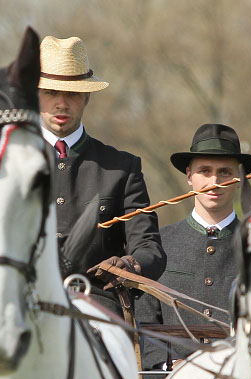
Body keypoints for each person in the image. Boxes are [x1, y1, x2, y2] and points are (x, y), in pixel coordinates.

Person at [37, 35, 165, 315]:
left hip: (97, 308)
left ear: (87, 96)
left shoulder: (122, 167)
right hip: (21, 304)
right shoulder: (7, 163)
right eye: (51, 93)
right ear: (35, 96)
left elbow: (148, 246)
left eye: (71, 93)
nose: (61, 103)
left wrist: (131, 265)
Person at [136, 123, 251, 370]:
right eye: (205, 171)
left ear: (239, 179)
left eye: (225, 172)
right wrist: (168, 364)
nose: (214, 181)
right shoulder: (156, 244)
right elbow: (144, 321)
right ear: (190, 176)